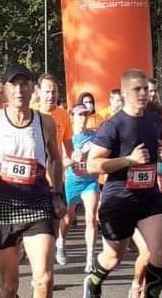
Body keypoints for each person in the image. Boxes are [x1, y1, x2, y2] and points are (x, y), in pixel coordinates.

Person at [0, 65, 67, 298]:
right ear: (6, 90)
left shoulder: (45, 122)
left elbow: (55, 160)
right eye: (14, 85)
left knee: (44, 281)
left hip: (38, 203)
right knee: (9, 287)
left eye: (25, 84)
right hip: (3, 206)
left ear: (32, 89)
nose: (20, 90)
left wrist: (57, 193)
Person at [83, 69, 162, 298]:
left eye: (146, 89)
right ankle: (93, 281)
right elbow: (93, 165)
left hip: (149, 196)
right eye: (137, 89)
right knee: (113, 258)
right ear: (123, 93)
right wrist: (129, 160)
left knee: (160, 253)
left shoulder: (154, 120)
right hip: (119, 197)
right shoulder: (112, 126)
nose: (143, 93)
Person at [35, 74, 74, 265]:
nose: (51, 95)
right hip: (33, 177)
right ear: (38, 92)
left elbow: (68, 145)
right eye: (47, 91)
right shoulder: (31, 113)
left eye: (54, 91)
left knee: (56, 218)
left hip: (56, 176)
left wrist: (74, 159)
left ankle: (57, 246)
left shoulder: (63, 115)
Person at [61, 105, 101, 274]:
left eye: (86, 114)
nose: (84, 117)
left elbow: (104, 153)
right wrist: (72, 159)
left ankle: (90, 257)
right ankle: (60, 243)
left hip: (89, 182)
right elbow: (61, 164)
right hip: (71, 182)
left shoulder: (95, 136)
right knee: (68, 219)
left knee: (91, 217)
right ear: (72, 117)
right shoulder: (67, 138)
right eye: (80, 114)